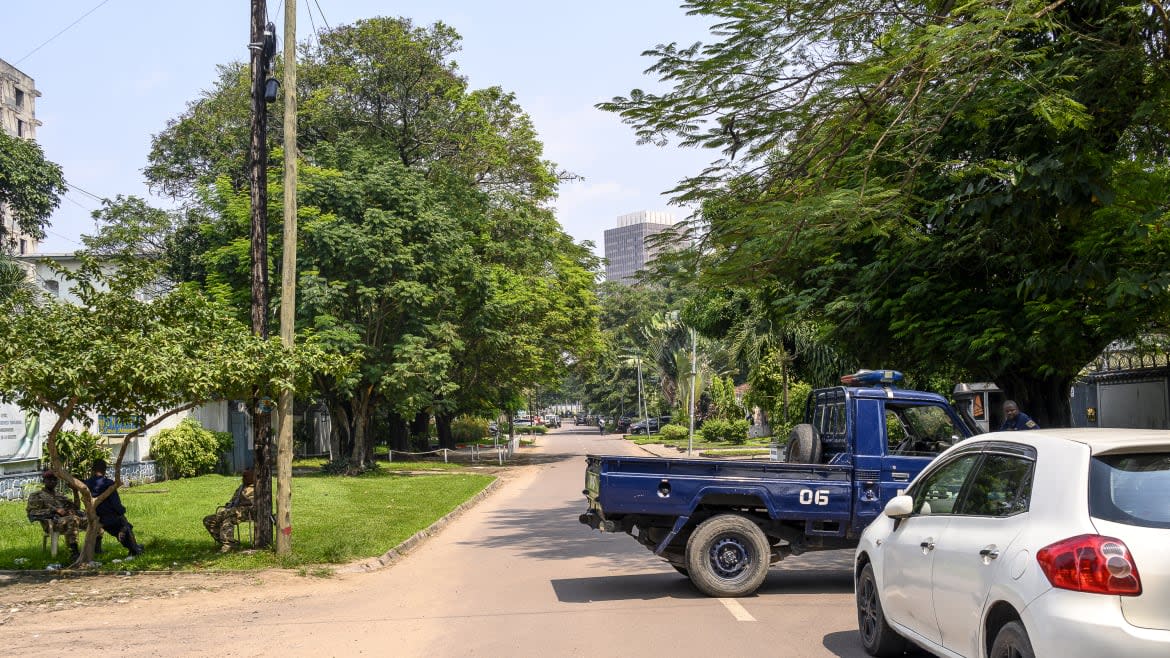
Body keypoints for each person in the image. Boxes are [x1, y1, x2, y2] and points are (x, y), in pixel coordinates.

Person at [84, 459, 144, 557]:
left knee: (119, 529)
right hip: (110, 517)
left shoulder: (87, 483)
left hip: (97, 516)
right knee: (125, 526)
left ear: (93, 470)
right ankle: (134, 549)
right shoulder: (108, 483)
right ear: (105, 470)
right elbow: (116, 504)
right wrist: (122, 511)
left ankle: (133, 546)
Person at [25, 470, 85, 562]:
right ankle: (74, 552)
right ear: (44, 481)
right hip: (53, 523)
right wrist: (54, 511)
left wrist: (75, 492)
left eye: (54, 480)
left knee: (93, 519)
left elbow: (76, 507)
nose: (52, 482)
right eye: (49, 479)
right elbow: (33, 513)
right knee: (73, 519)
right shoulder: (37, 495)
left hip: (68, 520)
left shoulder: (60, 495)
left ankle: (95, 549)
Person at [203, 469, 255, 552]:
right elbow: (233, 501)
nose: (243, 478)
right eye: (243, 476)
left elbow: (252, 503)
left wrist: (243, 500)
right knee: (208, 520)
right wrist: (229, 505)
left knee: (226, 517)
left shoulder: (256, 488)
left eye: (245, 476)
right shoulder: (241, 487)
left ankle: (229, 545)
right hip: (233, 513)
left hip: (247, 512)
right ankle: (229, 542)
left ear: (253, 477)